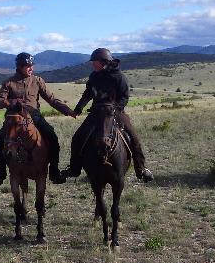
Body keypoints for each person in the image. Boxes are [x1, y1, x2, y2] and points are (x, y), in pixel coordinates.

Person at [63, 48, 154, 182]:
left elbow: (124, 97)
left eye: (94, 62)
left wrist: (115, 109)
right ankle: (74, 168)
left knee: (134, 137)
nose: (92, 64)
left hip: (115, 112)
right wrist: (78, 109)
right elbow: (88, 93)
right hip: (96, 112)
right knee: (78, 136)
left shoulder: (119, 77)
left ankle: (141, 169)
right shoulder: (94, 76)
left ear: (104, 62)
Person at [0, 52, 77, 186]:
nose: (31, 68)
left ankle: (54, 171)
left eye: (32, 65)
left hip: (34, 116)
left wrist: (67, 111)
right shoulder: (9, 82)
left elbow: (52, 99)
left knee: (52, 137)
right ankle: (1, 172)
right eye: (27, 66)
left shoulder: (37, 81)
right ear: (20, 66)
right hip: (14, 118)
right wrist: (13, 103)